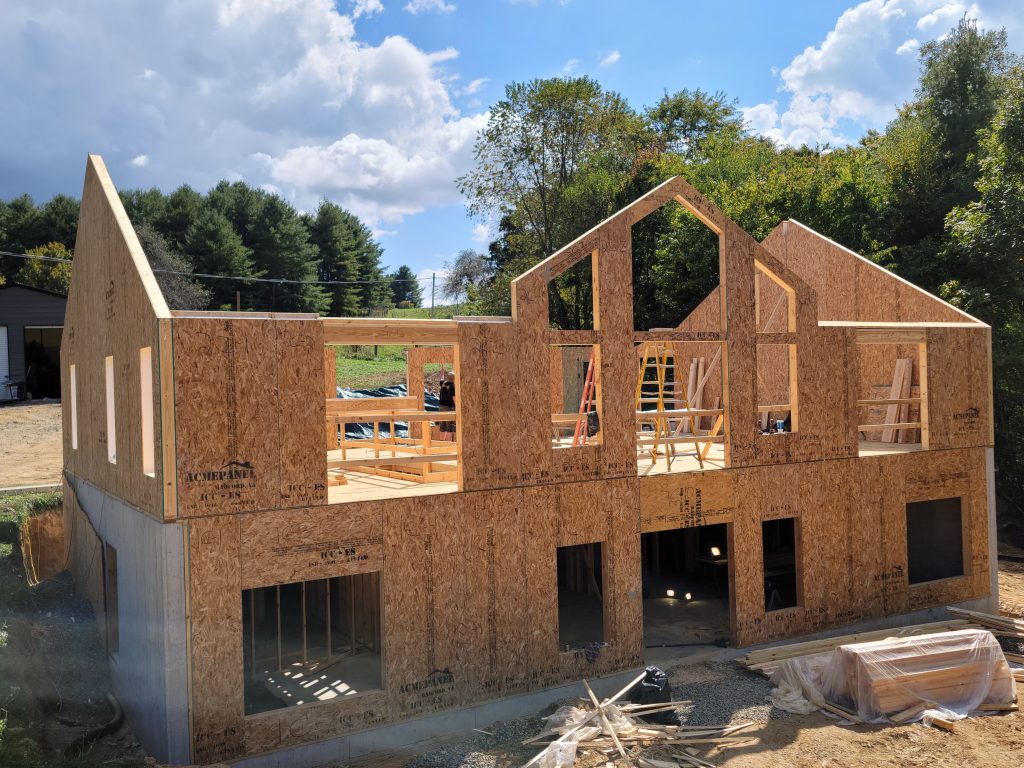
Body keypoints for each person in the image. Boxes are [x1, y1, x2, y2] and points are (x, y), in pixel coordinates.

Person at [438, 371, 456, 441]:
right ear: (454, 379)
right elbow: (454, 398)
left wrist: (442, 372)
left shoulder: (443, 383)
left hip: (441, 408)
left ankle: (441, 444)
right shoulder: (452, 387)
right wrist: (457, 408)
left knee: (443, 426)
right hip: (449, 408)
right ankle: (449, 446)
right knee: (449, 427)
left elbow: (441, 379)